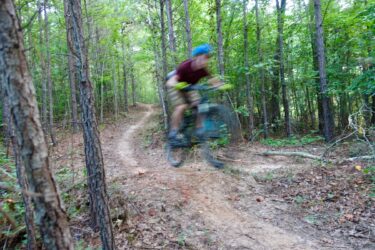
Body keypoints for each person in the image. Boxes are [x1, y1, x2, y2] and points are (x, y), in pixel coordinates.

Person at [166, 44, 222, 144]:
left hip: (190, 87)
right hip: (176, 86)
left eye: (207, 58)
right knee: (181, 106)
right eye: (203, 57)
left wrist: (219, 85)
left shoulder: (203, 69)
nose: (205, 60)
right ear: (196, 57)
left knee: (200, 104)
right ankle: (173, 133)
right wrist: (178, 85)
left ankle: (198, 129)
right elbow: (171, 81)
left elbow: (212, 79)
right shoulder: (185, 66)